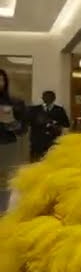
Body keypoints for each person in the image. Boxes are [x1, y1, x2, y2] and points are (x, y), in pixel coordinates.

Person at [0, 69, 27, 210]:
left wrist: (10, 121)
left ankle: (1, 212)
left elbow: (23, 130)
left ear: (5, 82)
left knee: (3, 182)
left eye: (0, 79)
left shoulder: (15, 103)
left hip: (6, 146)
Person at [29, 90, 71, 161]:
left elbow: (66, 124)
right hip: (37, 142)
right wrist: (37, 121)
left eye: (50, 97)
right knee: (35, 163)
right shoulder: (35, 109)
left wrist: (54, 123)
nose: (47, 99)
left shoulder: (59, 110)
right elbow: (28, 122)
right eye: (45, 97)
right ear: (42, 98)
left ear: (54, 98)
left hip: (53, 141)